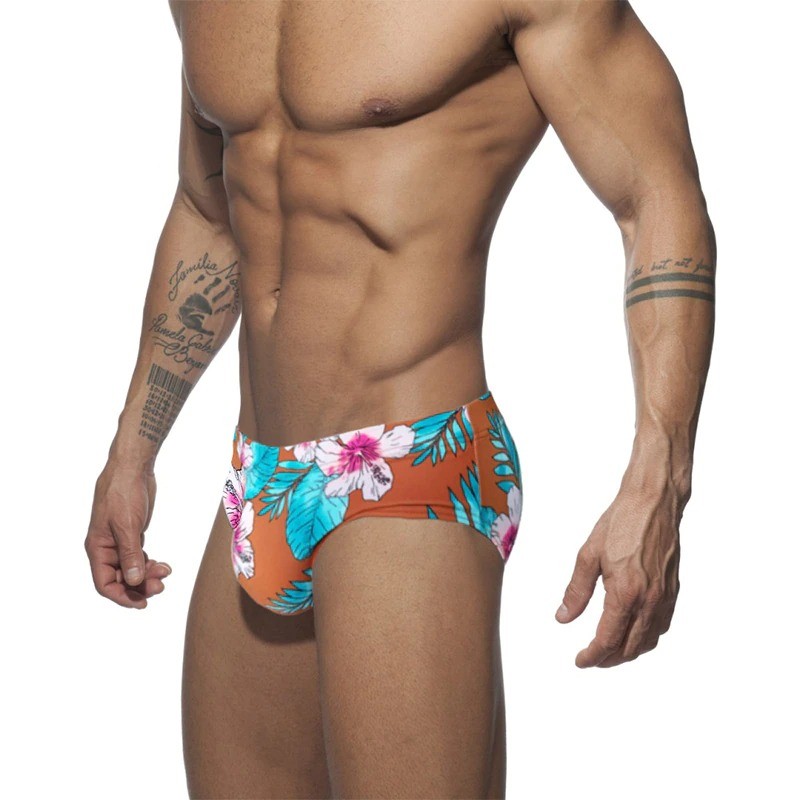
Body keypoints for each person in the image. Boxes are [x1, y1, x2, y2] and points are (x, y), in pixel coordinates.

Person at [84, 1, 715, 797]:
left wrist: (659, 480)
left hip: (415, 461)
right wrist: (132, 451)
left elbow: (656, 194)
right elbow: (209, 210)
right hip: (262, 474)